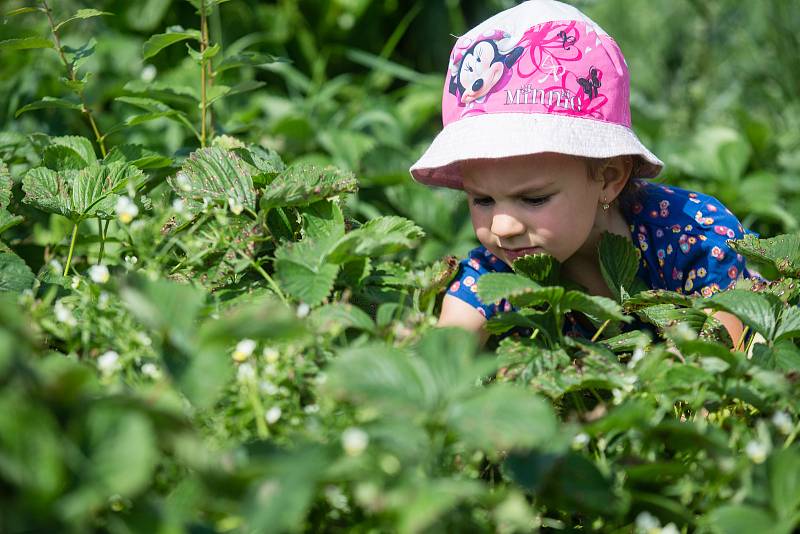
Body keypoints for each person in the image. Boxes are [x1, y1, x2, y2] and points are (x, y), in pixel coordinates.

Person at [409, 0, 758, 347]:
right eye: (482, 199)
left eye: (533, 199)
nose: (502, 228)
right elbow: (441, 362)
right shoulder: (495, 275)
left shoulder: (690, 238)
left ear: (608, 178)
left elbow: (723, 373)